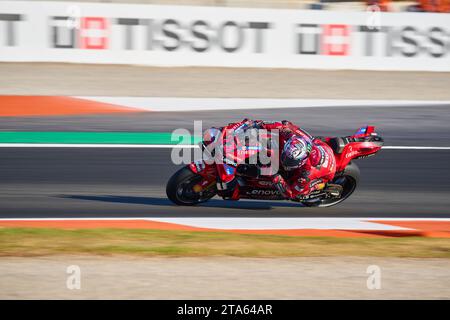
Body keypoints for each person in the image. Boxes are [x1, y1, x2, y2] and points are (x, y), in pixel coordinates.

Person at [207, 119, 337, 201]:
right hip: (318, 145)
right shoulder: (291, 135)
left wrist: (276, 177)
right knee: (262, 143)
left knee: (300, 193)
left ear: (301, 162)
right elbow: (283, 125)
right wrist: (256, 125)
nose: (286, 161)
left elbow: (291, 193)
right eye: (287, 157)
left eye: (290, 161)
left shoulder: (306, 174)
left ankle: (317, 188)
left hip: (321, 172)